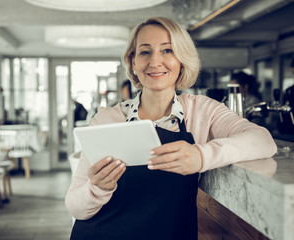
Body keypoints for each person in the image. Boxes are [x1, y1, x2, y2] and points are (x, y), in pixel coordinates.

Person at [65, 17, 277, 240]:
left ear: (182, 60)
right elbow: (75, 207)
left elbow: (262, 139)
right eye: (145, 52)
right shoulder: (107, 118)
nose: (155, 61)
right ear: (133, 62)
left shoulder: (202, 111)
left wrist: (201, 155)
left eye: (167, 50)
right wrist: (97, 188)